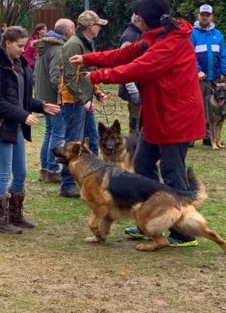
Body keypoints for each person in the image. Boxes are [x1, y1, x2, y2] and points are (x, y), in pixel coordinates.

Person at [71, 0, 205, 247]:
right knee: (142, 165)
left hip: (176, 118)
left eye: (140, 18)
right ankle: (154, 217)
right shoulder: (154, 38)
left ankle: (183, 231)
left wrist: (100, 76)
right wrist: (89, 59)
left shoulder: (171, 44)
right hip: (156, 116)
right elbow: (126, 55)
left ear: (151, 20)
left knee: (172, 172)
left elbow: (139, 68)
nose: (137, 22)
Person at [0, 26, 60, 234]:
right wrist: (23, 116)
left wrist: (41, 105)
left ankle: (16, 215)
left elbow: (22, 99)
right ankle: (0, 220)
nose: (23, 50)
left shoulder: (20, 65)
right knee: (4, 173)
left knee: (21, 172)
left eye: (25, 46)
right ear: (7, 43)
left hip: (14, 126)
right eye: (19, 46)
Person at [58, 11, 108, 198]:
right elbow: (70, 78)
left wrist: (97, 92)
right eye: (98, 25)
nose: (100, 28)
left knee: (93, 142)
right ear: (89, 27)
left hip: (84, 102)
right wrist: (83, 100)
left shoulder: (87, 43)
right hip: (73, 103)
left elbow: (87, 74)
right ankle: (67, 183)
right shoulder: (73, 45)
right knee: (73, 144)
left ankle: (91, 181)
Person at [33, 18, 75, 182]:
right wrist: (63, 94)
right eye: (72, 28)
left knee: (50, 132)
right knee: (57, 133)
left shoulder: (46, 47)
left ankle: (45, 168)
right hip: (54, 99)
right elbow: (56, 77)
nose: (74, 32)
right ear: (66, 32)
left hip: (43, 96)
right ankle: (52, 169)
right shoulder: (58, 49)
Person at [191, 4, 226, 146]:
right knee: (196, 105)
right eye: (202, 15)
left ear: (212, 16)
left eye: (207, 15)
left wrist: (223, 72)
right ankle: (191, 137)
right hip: (199, 77)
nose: (204, 17)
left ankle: (208, 136)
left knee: (213, 108)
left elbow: (223, 55)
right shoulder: (193, 34)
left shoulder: (218, 34)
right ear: (198, 16)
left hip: (215, 78)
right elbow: (189, 55)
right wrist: (197, 70)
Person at [117, 21, 143, 134]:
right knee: (136, 119)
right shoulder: (131, 37)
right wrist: (132, 89)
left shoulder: (139, 34)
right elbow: (124, 64)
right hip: (134, 87)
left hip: (140, 84)